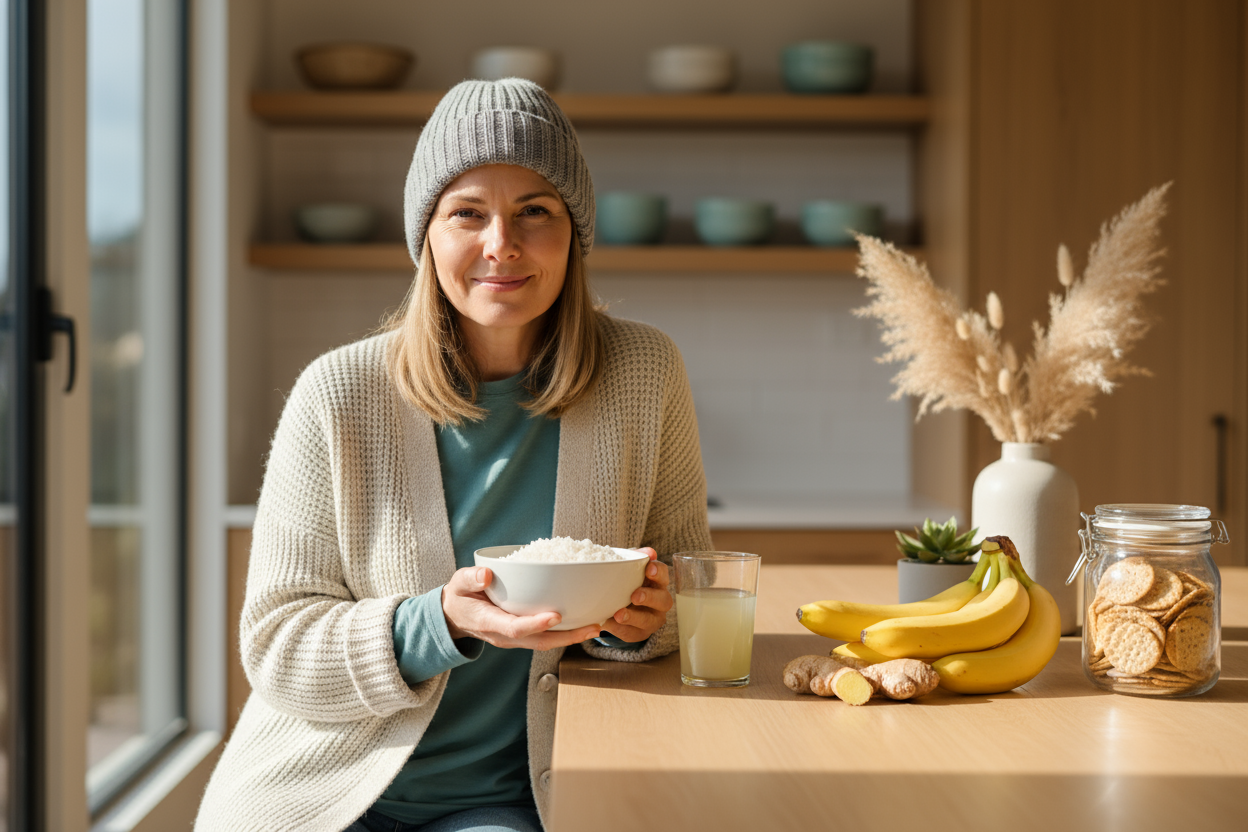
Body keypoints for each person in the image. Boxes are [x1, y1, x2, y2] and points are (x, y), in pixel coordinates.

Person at [195, 78, 713, 832]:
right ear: (427, 235)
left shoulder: (644, 371)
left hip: (503, 801)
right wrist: (441, 621)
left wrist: (634, 623)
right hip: (321, 789)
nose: (500, 244)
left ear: (575, 234)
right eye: (467, 213)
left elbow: (686, 599)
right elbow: (276, 646)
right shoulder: (337, 394)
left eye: (534, 212)